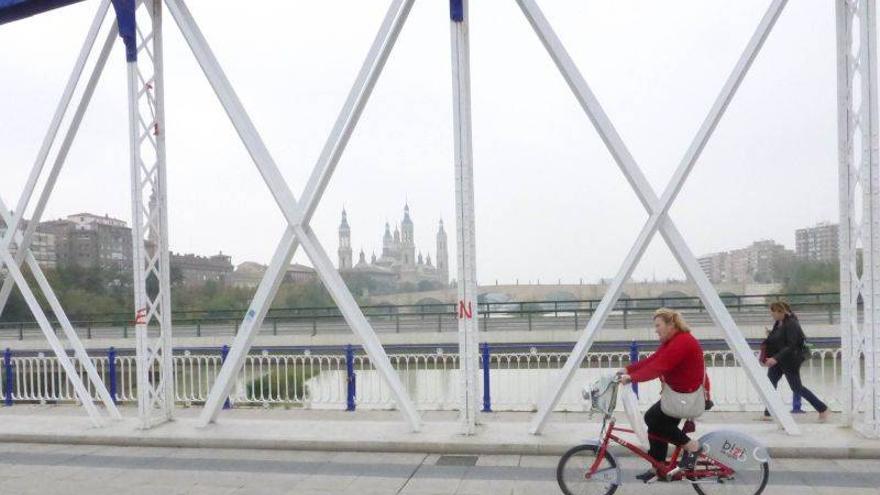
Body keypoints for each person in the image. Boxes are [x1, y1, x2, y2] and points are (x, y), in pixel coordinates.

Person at [618, 308, 706, 483]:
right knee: (653, 420)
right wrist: (628, 369)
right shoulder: (673, 341)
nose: (656, 329)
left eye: (658, 325)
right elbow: (654, 360)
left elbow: (660, 366)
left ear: (671, 324)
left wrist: (633, 378)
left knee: (655, 420)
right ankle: (658, 468)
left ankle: (693, 447)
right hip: (677, 395)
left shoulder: (682, 342)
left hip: (685, 398)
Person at [761, 301, 829, 422]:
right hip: (779, 360)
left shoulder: (792, 324)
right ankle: (768, 412)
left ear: (780, 311)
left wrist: (775, 358)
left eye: (773, 312)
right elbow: (779, 339)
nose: (771, 314)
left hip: (789, 361)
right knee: (770, 385)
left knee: (797, 388)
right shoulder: (778, 323)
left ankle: (822, 409)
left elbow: (791, 345)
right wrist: (770, 335)